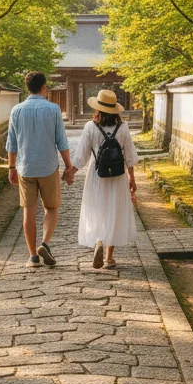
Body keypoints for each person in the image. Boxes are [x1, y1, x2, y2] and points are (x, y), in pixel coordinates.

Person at [5, 71, 77, 267]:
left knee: (28, 211)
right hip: (48, 167)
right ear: (44, 87)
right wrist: (69, 166)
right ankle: (44, 243)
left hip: (25, 168)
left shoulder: (16, 110)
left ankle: (32, 256)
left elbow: (11, 143)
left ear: (27, 88)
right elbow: (61, 142)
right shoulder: (53, 109)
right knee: (51, 208)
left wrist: (11, 167)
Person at [71, 88, 139, 269]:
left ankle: (99, 240)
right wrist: (132, 179)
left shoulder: (90, 127)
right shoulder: (123, 128)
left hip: (96, 175)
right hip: (118, 176)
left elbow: (81, 156)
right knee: (114, 211)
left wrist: (70, 172)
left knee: (97, 209)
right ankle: (109, 258)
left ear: (98, 109)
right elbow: (130, 156)